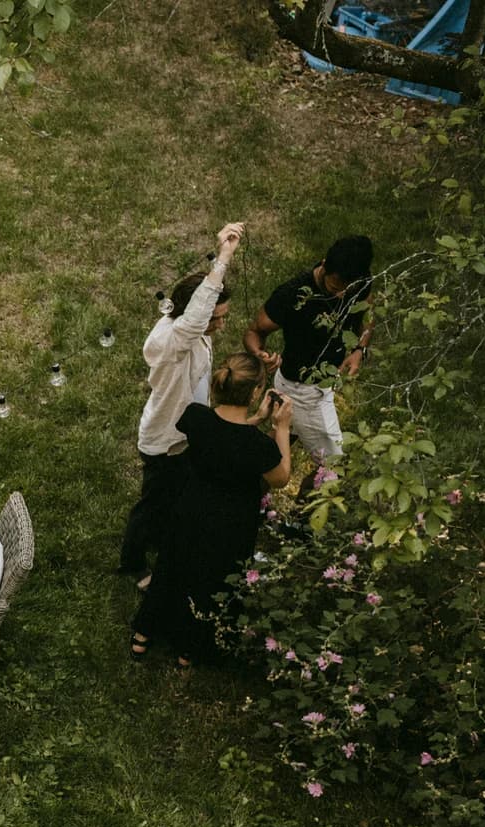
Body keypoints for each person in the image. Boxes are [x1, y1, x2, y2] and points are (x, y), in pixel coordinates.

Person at [131, 354, 294, 666]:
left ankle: (143, 635)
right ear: (256, 393)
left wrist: (255, 419)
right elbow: (281, 477)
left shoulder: (195, 417)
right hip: (229, 524)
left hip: (189, 509)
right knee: (211, 579)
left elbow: (224, 434)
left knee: (173, 567)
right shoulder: (257, 447)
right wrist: (281, 427)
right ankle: (187, 649)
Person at [118, 222, 243, 585]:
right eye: (214, 319)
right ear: (195, 314)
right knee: (152, 502)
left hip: (188, 432)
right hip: (164, 440)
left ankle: (162, 535)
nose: (219, 325)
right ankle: (133, 559)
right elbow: (197, 319)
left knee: (178, 493)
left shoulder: (192, 335)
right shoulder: (174, 341)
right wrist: (224, 257)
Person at [242, 235, 374, 464]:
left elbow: (368, 309)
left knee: (273, 451)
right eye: (334, 288)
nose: (341, 295)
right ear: (324, 265)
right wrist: (259, 354)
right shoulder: (293, 295)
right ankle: (307, 500)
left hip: (324, 382)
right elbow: (254, 331)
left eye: (347, 290)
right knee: (333, 469)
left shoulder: (359, 281)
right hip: (303, 390)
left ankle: (249, 493)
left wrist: (359, 349)